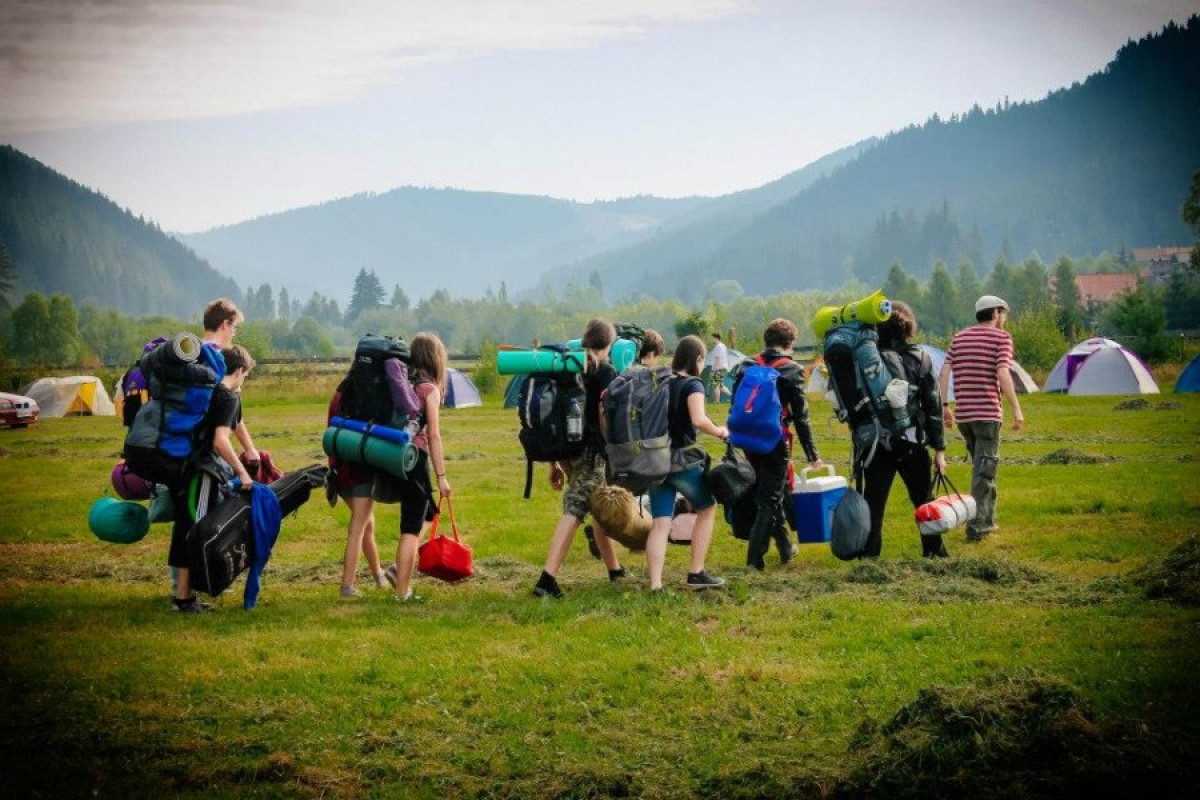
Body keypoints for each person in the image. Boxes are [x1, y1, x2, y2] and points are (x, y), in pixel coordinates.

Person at [533, 318, 625, 598]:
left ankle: (615, 570)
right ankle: (546, 580)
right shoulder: (605, 370)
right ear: (608, 344)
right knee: (574, 511)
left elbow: (555, 414)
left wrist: (555, 463)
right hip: (591, 452)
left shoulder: (568, 366)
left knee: (598, 508)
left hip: (567, 450)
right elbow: (606, 415)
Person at [169, 299, 249, 613]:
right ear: (225, 323)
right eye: (235, 326)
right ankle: (184, 598)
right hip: (201, 466)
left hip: (181, 456)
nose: (234, 333)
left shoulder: (193, 361)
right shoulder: (216, 369)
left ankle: (183, 593)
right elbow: (220, 438)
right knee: (196, 529)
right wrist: (242, 470)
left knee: (185, 525)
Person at [732, 318, 822, 571]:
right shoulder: (792, 370)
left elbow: (737, 404)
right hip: (775, 441)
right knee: (769, 499)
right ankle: (754, 560)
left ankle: (785, 547)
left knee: (773, 492)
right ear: (789, 343)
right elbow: (801, 417)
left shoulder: (746, 364)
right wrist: (812, 454)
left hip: (748, 438)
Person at [861, 302, 949, 558]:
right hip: (912, 441)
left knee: (873, 503)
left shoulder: (868, 360)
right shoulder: (920, 358)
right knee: (924, 500)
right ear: (908, 328)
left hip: (875, 443)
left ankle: (869, 557)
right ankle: (934, 553)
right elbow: (933, 406)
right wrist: (939, 449)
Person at [645, 335, 728, 591]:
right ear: (698, 359)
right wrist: (720, 431)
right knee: (707, 507)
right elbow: (698, 419)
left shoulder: (661, 381)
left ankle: (656, 584)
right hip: (681, 462)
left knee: (660, 522)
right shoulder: (693, 384)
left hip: (655, 460)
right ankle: (696, 572)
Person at [939, 295, 1025, 542]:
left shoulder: (959, 337)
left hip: (965, 416)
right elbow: (1003, 372)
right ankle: (977, 528)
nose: (1004, 318)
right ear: (995, 313)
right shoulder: (1002, 338)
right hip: (987, 414)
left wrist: (945, 406)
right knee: (984, 472)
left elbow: (944, 372)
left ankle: (988, 520)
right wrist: (1016, 408)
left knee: (985, 469)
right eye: (1004, 313)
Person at [376, 332, 454, 602]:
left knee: (428, 513)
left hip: (393, 456)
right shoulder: (429, 389)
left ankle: (399, 569)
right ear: (435, 358)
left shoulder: (403, 383)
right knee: (411, 527)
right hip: (415, 460)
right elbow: (433, 435)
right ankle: (402, 590)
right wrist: (442, 476)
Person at [583, 328, 664, 560]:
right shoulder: (644, 379)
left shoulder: (617, 374)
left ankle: (602, 536)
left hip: (609, 448)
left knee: (611, 497)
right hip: (636, 452)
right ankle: (639, 538)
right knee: (641, 495)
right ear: (649, 355)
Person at [709, 332, 730, 402]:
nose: (712, 340)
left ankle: (717, 402)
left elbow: (717, 359)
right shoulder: (723, 346)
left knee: (716, 385)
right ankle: (732, 396)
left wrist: (713, 370)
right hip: (724, 368)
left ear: (716, 338)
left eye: (712, 338)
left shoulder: (718, 347)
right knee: (721, 386)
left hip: (719, 368)